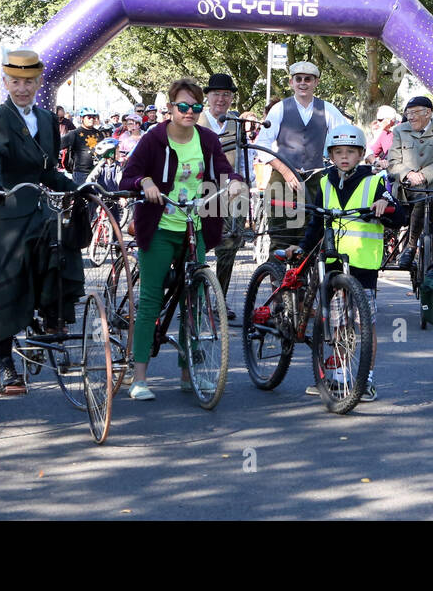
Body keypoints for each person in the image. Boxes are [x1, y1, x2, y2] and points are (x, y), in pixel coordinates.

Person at [118, 77, 246, 400]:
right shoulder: (154, 139)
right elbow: (128, 174)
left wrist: (233, 182)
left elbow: (223, 168)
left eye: (196, 107)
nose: (190, 112)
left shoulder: (206, 139)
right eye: (183, 106)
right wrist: (144, 181)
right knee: (150, 301)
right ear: (171, 108)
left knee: (196, 302)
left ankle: (189, 373)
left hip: (194, 227)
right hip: (161, 226)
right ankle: (139, 378)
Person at [0, 49, 84, 392]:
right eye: (16, 82)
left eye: (29, 82)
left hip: (32, 204)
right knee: (9, 272)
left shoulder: (48, 120)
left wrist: (79, 188)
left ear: (38, 83)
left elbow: (47, 171)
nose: (22, 88)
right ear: (5, 82)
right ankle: (4, 361)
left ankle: (53, 312)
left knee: (59, 230)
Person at [286, 124, 403, 401]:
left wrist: (383, 209)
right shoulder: (325, 182)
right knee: (338, 323)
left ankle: (367, 380)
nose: (344, 157)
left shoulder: (375, 182)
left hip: (363, 264)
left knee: (364, 324)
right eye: (338, 152)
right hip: (333, 261)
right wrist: (303, 248)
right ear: (331, 155)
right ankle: (338, 377)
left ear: (362, 153)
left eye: (350, 152)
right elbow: (317, 221)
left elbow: (399, 215)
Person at [253, 61, 349, 252]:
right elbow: (261, 145)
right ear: (291, 82)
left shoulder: (328, 109)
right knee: (281, 237)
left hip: (314, 181)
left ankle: (305, 281)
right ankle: (277, 281)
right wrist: (286, 171)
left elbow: (346, 136)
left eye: (308, 79)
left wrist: (364, 158)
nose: (303, 83)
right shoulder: (280, 108)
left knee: (310, 239)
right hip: (281, 180)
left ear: (316, 82)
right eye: (298, 79)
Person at [197, 73, 245, 315]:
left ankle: (218, 299)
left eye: (226, 95)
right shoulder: (196, 121)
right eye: (216, 94)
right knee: (196, 244)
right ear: (207, 96)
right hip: (201, 190)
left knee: (229, 246)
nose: (221, 99)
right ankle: (193, 294)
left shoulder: (236, 124)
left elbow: (244, 159)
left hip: (231, 191)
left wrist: (246, 187)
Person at [389, 96, 433, 277]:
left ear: (428, 113)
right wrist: (408, 174)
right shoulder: (399, 131)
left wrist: (424, 175)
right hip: (408, 190)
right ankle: (410, 247)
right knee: (418, 197)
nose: (410, 117)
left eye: (415, 112)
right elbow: (393, 161)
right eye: (408, 113)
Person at [62, 107, 107, 184]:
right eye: (89, 117)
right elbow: (58, 145)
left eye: (93, 117)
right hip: (81, 172)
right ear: (82, 118)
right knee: (81, 195)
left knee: (97, 195)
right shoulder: (74, 133)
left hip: (97, 171)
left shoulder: (99, 134)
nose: (92, 119)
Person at [365, 105, 400, 169]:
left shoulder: (403, 129)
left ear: (389, 120)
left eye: (380, 120)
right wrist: (375, 162)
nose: (378, 123)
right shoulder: (383, 132)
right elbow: (368, 151)